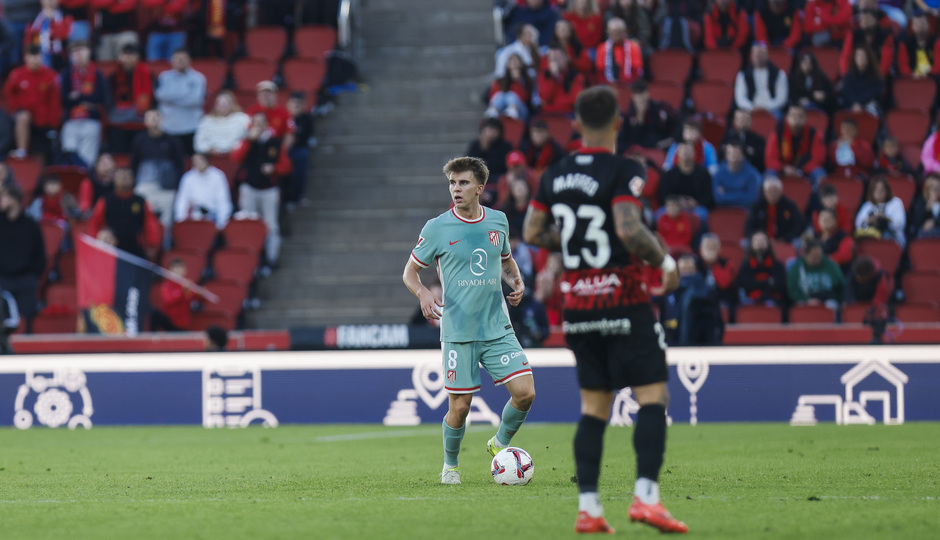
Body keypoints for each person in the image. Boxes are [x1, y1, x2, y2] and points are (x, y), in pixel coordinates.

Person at [522, 86, 686, 534]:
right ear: (618, 123)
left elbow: (533, 231)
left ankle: (589, 509)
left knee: (594, 408)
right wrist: (665, 262)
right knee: (653, 397)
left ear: (575, 125)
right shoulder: (624, 169)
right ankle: (647, 499)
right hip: (623, 299)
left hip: (577, 306)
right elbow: (629, 231)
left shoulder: (553, 174)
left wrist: (572, 246)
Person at [402, 156, 535, 486]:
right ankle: (450, 466)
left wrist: (516, 282)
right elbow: (410, 273)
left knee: (525, 392)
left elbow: (505, 261)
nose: (456, 189)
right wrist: (422, 293)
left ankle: (499, 444)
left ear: (480, 187)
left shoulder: (498, 222)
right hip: (459, 331)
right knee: (460, 408)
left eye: (462, 183)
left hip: (496, 327)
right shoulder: (437, 227)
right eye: (452, 183)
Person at [231, 112, 291, 268]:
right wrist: (249, 140)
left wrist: (274, 168)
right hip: (249, 188)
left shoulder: (275, 143)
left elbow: (286, 166)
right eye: (255, 122)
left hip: (269, 189)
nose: (257, 125)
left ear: (266, 124)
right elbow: (236, 157)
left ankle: (272, 258)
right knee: (248, 224)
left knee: (271, 225)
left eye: (260, 122)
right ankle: (249, 260)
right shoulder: (246, 141)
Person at [87, 168, 162, 258]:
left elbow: (150, 224)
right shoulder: (105, 200)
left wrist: (152, 245)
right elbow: (94, 223)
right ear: (114, 179)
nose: (124, 178)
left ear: (133, 179)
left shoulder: (140, 201)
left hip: (135, 248)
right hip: (111, 248)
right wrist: (95, 243)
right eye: (121, 176)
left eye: (127, 176)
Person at [131, 109, 185, 231]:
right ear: (145, 121)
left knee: (166, 223)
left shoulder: (172, 141)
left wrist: (176, 187)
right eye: (149, 117)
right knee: (142, 220)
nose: (153, 120)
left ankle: (165, 247)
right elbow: (134, 164)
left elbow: (179, 166)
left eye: (156, 117)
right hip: (144, 186)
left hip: (166, 188)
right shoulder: (139, 140)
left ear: (161, 119)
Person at [0, 182, 46, 327]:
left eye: (3, 197)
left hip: (26, 280)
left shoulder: (31, 225)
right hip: (2, 280)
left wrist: (33, 275)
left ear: (14, 199)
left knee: (26, 321)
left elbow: (39, 254)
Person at [4, 45, 61, 160]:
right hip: (24, 117)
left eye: (38, 56)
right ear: (26, 57)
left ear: (42, 57)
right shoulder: (17, 75)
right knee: (23, 117)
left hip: (43, 121)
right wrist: (15, 109)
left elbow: (55, 102)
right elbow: (8, 94)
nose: (35, 60)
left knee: (40, 156)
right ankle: (22, 150)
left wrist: (53, 124)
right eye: (32, 56)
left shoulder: (51, 76)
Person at [59, 40, 107, 168]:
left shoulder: (97, 73)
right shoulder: (66, 73)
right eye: (74, 52)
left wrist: (78, 96)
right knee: (69, 153)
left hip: (91, 119)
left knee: (87, 160)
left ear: (89, 52)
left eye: (81, 50)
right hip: (71, 120)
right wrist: (85, 100)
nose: (78, 55)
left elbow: (100, 97)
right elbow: (64, 99)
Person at [155, 49, 206, 155]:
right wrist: (185, 94)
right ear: (172, 61)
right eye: (177, 59)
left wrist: (172, 98)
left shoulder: (198, 78)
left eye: (183, 59)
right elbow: (161, 95)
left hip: (191, 127)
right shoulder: (164, 77)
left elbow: (195, 100)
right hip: (169, 127)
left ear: (189, 61)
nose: (180, 61)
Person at [106, 43, 154, 153]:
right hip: (119, 117)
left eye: (132, 55)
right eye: (125, 55)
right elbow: (108, 98)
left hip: (141, 116)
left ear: (137, 57)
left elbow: (153, 97)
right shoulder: (113, 76)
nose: (128, 58)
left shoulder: (148, 74)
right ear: (120, 57)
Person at [765, 104, 826, 185]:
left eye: (800, 116)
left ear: (805, 119)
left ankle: (816, 197)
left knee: (820, 174)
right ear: (787, 118)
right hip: (783, 169)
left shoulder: (814, 134)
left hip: (805, 169)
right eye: (793, 115)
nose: (796, 118)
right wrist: (784, 168)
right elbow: (770, 159)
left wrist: (801, 171)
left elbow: (818, 159)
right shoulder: (777, 133)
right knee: (770, 174)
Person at [657, 141, 715, 222]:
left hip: (696, 208)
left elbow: (709, 198)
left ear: (694, 153)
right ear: (677, 153)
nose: (685, 152)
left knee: (702, 214)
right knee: (659, 214)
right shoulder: (669, 174)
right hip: (673, 207)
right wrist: (677, 202)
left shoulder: (704, 174)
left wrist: (696, 203)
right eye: (682, 150)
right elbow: (662, 196)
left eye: (688, 150)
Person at [617, 79, 677, 153]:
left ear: (648, 94)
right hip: (635, 151)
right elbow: (628, 139)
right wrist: (640, 118)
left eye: (642, 94)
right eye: (637, 95)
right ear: (633, 96)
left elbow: (676, 123)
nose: (640, 98)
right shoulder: (627, 116)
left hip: (658, 148)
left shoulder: (660, 109)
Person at [174, 153, 232, 229]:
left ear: (207, 161)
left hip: (213, 216)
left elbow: (223, 200)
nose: (198, 163)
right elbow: (182, 199)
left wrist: (222, 224)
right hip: (194, 216)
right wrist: (180, 220)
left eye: (200, 160)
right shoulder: (188, 178)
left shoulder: (218, 176)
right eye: (195, 161)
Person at [734, 42, 789, 119]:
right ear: (751, 56)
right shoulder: (743, 74)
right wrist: (752, 108)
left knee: (778, 116)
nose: (758, 57)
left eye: (761, 54)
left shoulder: (779, 74)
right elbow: (740, 98)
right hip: (750, 109)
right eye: (756, 54)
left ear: (767, 55)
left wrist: (766, 108)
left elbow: (782, 99)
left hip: (772, 109)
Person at [839, 5, 895, 78]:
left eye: (867, 18)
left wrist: (877, 79)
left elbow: (886, 61)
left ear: (875, 20)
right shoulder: (853, 35)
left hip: (878, 77)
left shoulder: (884, 37)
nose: (865, 21)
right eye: (862, 18)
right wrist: (847, 76)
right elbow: (845, 57)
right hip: (855, 74)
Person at [787, 239, 844, 309]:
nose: (818, 259)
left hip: (827, 302)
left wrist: (832, 298)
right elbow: (793, 290)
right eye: (814, 257)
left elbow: (841, 287)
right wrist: (806, 300)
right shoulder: (797, 268)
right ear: (805, 255)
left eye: (820, 256)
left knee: (832, 305)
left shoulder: (831, 266)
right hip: (805, 301)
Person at [745, 177, 805, 243]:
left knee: (798, 243)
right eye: (770, 191)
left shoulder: (790, 206)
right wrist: (758, 238)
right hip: (760, 241)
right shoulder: (756, 206)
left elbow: (798, 226)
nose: (773, 194)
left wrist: (785, 239)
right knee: (745, 243)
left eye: (775, 191)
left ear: (781, 192)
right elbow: (748, 228)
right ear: (765, 192)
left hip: (785, 240)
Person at [737, 230, 788, 306]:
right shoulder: (746, 266)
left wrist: (755, 283)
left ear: (768, 243)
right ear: (751, 244)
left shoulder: (778, 265)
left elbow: (779, 285)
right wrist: (767, 282)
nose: (760, 242)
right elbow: (745, 284)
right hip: (751, 302)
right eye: (756, 240)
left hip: (774, 302)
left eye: (763, 239)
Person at [194, 90, 250, 155]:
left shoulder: (242, 118)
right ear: (216, 105)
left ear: (232, 104)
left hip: (235, 156)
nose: (223, 106)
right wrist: (208, 148)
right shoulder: (206, 121)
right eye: (220, 104)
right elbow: (199, 142)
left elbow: (246, 138)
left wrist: (235, 148)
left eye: (226, 103)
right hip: (212, 157)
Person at [855, 176, 906, 246]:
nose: (879, 194)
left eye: (882, 190)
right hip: (871, 237)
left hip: (892, 239)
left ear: (887, 191)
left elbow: (900, 224)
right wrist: (869, 220)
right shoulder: (868, 205)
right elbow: (858, 223)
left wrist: (886, 218)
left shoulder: (896, 203)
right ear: (871, 192)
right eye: (876, 191)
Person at [246, 80, 296, 149]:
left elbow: (290, 134)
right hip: (256, 147)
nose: (266, 96)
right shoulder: (252, 110)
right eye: (263, 93)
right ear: (258, 96)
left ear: (275, 95)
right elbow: (248, 130)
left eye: (269, 93)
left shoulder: (284, 112)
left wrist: (281, 151)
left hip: (275, 147)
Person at [23, 0, 72, 70]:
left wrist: (51, 21)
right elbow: (28, 39)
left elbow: (62, 35)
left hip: (59, 56)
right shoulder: (34, 17)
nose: (50, 1)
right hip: (39, 55)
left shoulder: (65, 16)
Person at [486, 53, 537, 120]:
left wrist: (517, 81)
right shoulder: (501, 80)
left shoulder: (526, 80)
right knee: (501, 95)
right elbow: (493, 96)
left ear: (521, 64)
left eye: (517, 61)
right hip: (502, 108)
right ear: (508, 65)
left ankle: (512, 110)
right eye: (512, 62)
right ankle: (493, 111)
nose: (515, 64)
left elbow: (525, 98)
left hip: (522, 110)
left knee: (511, 95)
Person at [286, 91, 316, 205]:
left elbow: (306, 137)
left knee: (302, 156)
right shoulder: (285, 116)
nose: (297, 106)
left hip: (298, 149)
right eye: (294, 103)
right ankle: (287, 198)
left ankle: (298, 195)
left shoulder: (307, 118)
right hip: (284, 149)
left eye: (300, 104)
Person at [713, 139, 762, 209]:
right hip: (724, 210)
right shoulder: (718, 174)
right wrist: (742, 193)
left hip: (745, 210)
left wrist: (727, 195)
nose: (734, 156)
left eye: (737, 153)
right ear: (726, 155)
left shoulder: (752, 174)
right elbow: (718, 199)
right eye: (731, 153)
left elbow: (751, 199)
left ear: (743, 155)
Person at [537, 46, 585, 115]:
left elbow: (575, 99)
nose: (555, 62)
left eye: (557, 58)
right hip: (547, 114)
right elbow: (545, 97)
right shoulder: (545, 75)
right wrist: (553, 77)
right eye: (552, 59)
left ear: (566, 58)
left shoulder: (576, 75)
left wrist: (554, 102)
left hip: (567, 114)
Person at [839, 45, 884, 118]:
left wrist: (860, 104)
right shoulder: (849, 75)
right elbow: (847, 92)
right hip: (851, 106)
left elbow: (874, 93)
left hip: (868, 106)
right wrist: (854, 104)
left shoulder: (875, 77)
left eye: (863, 56)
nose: (860, 58)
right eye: (858, 56)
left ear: (868, 58)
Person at [595, 17, 644, 85]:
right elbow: (600, 71)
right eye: (614, 32)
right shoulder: (602, 48)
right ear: (608, 32)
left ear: (625, 32)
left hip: (629, 84)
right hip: (608, 84)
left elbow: (636, 70)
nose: (616, 35)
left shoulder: (633, 47)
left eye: (619, 32)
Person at [151, 257, 195, 332]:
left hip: (183, 324)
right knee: (155, 313)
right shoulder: (167, 285)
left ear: (185, 270)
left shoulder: (188, 285)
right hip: (170, 321)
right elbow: (169, 301)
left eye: (180, 268)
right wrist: (183, 291)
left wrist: (202, 293)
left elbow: (198, 298)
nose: (177, 271)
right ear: (170, 271)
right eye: (175, 268)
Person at [788, 50, 835, 115]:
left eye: (809, 63)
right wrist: (812, 96)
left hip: (818, 107)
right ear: (799, 63)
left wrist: (823, 96)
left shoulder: (821, 78)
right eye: (804, 62)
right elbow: (793, 95)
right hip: (799, 108)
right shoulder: (793, 78)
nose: (807, 65)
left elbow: (827, 96)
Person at [896, 11, 940, 79]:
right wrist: (912, 74)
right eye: (917, 24)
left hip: (932, 78)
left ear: (928, 25)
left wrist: (928, 72)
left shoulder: (936, 42)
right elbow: (903, 66)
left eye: (923, 23)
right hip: (912, 78)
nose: (920, 26)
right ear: (912, 26)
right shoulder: (905, 44)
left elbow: (938, 65)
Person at [908, 173, 940, 239]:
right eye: (932, 188)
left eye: (937, 188)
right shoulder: (921, 201)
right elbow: (916, 222)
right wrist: (928, 206)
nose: (935, 191)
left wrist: (934, 222)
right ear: (927, 189)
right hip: (924, 233)